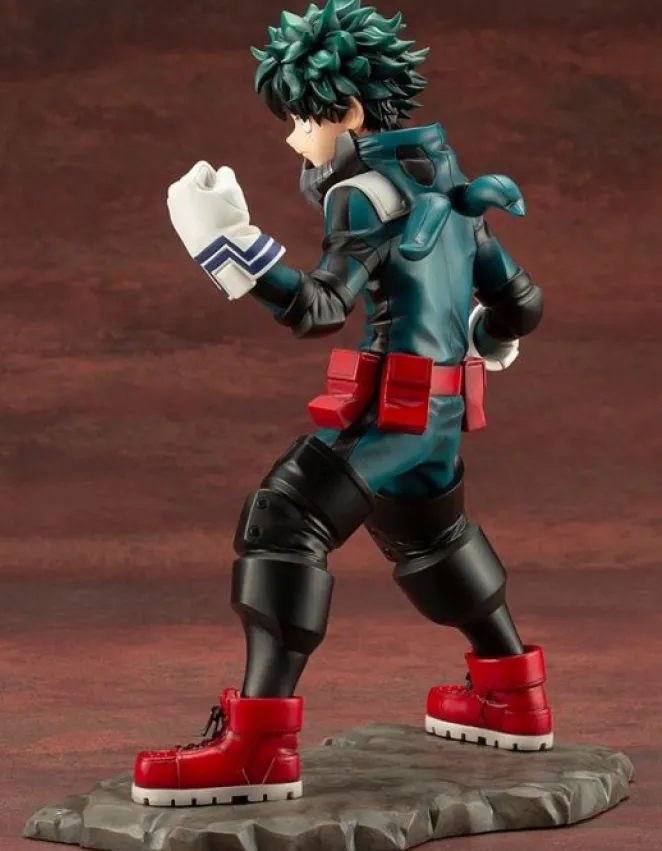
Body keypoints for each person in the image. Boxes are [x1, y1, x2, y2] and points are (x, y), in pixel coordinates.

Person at [131, 0, 553, 808]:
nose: (296, 140)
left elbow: (318, 307)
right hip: (439, 421)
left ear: (350, 111)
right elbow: (523, 304)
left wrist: (227, 245)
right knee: (433, 536)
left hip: (391, 418)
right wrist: (486, 332)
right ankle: (513, 695)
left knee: (284, 521)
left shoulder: (362, 195)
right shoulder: (449, 180)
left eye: (303, 120)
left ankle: (257, 748)